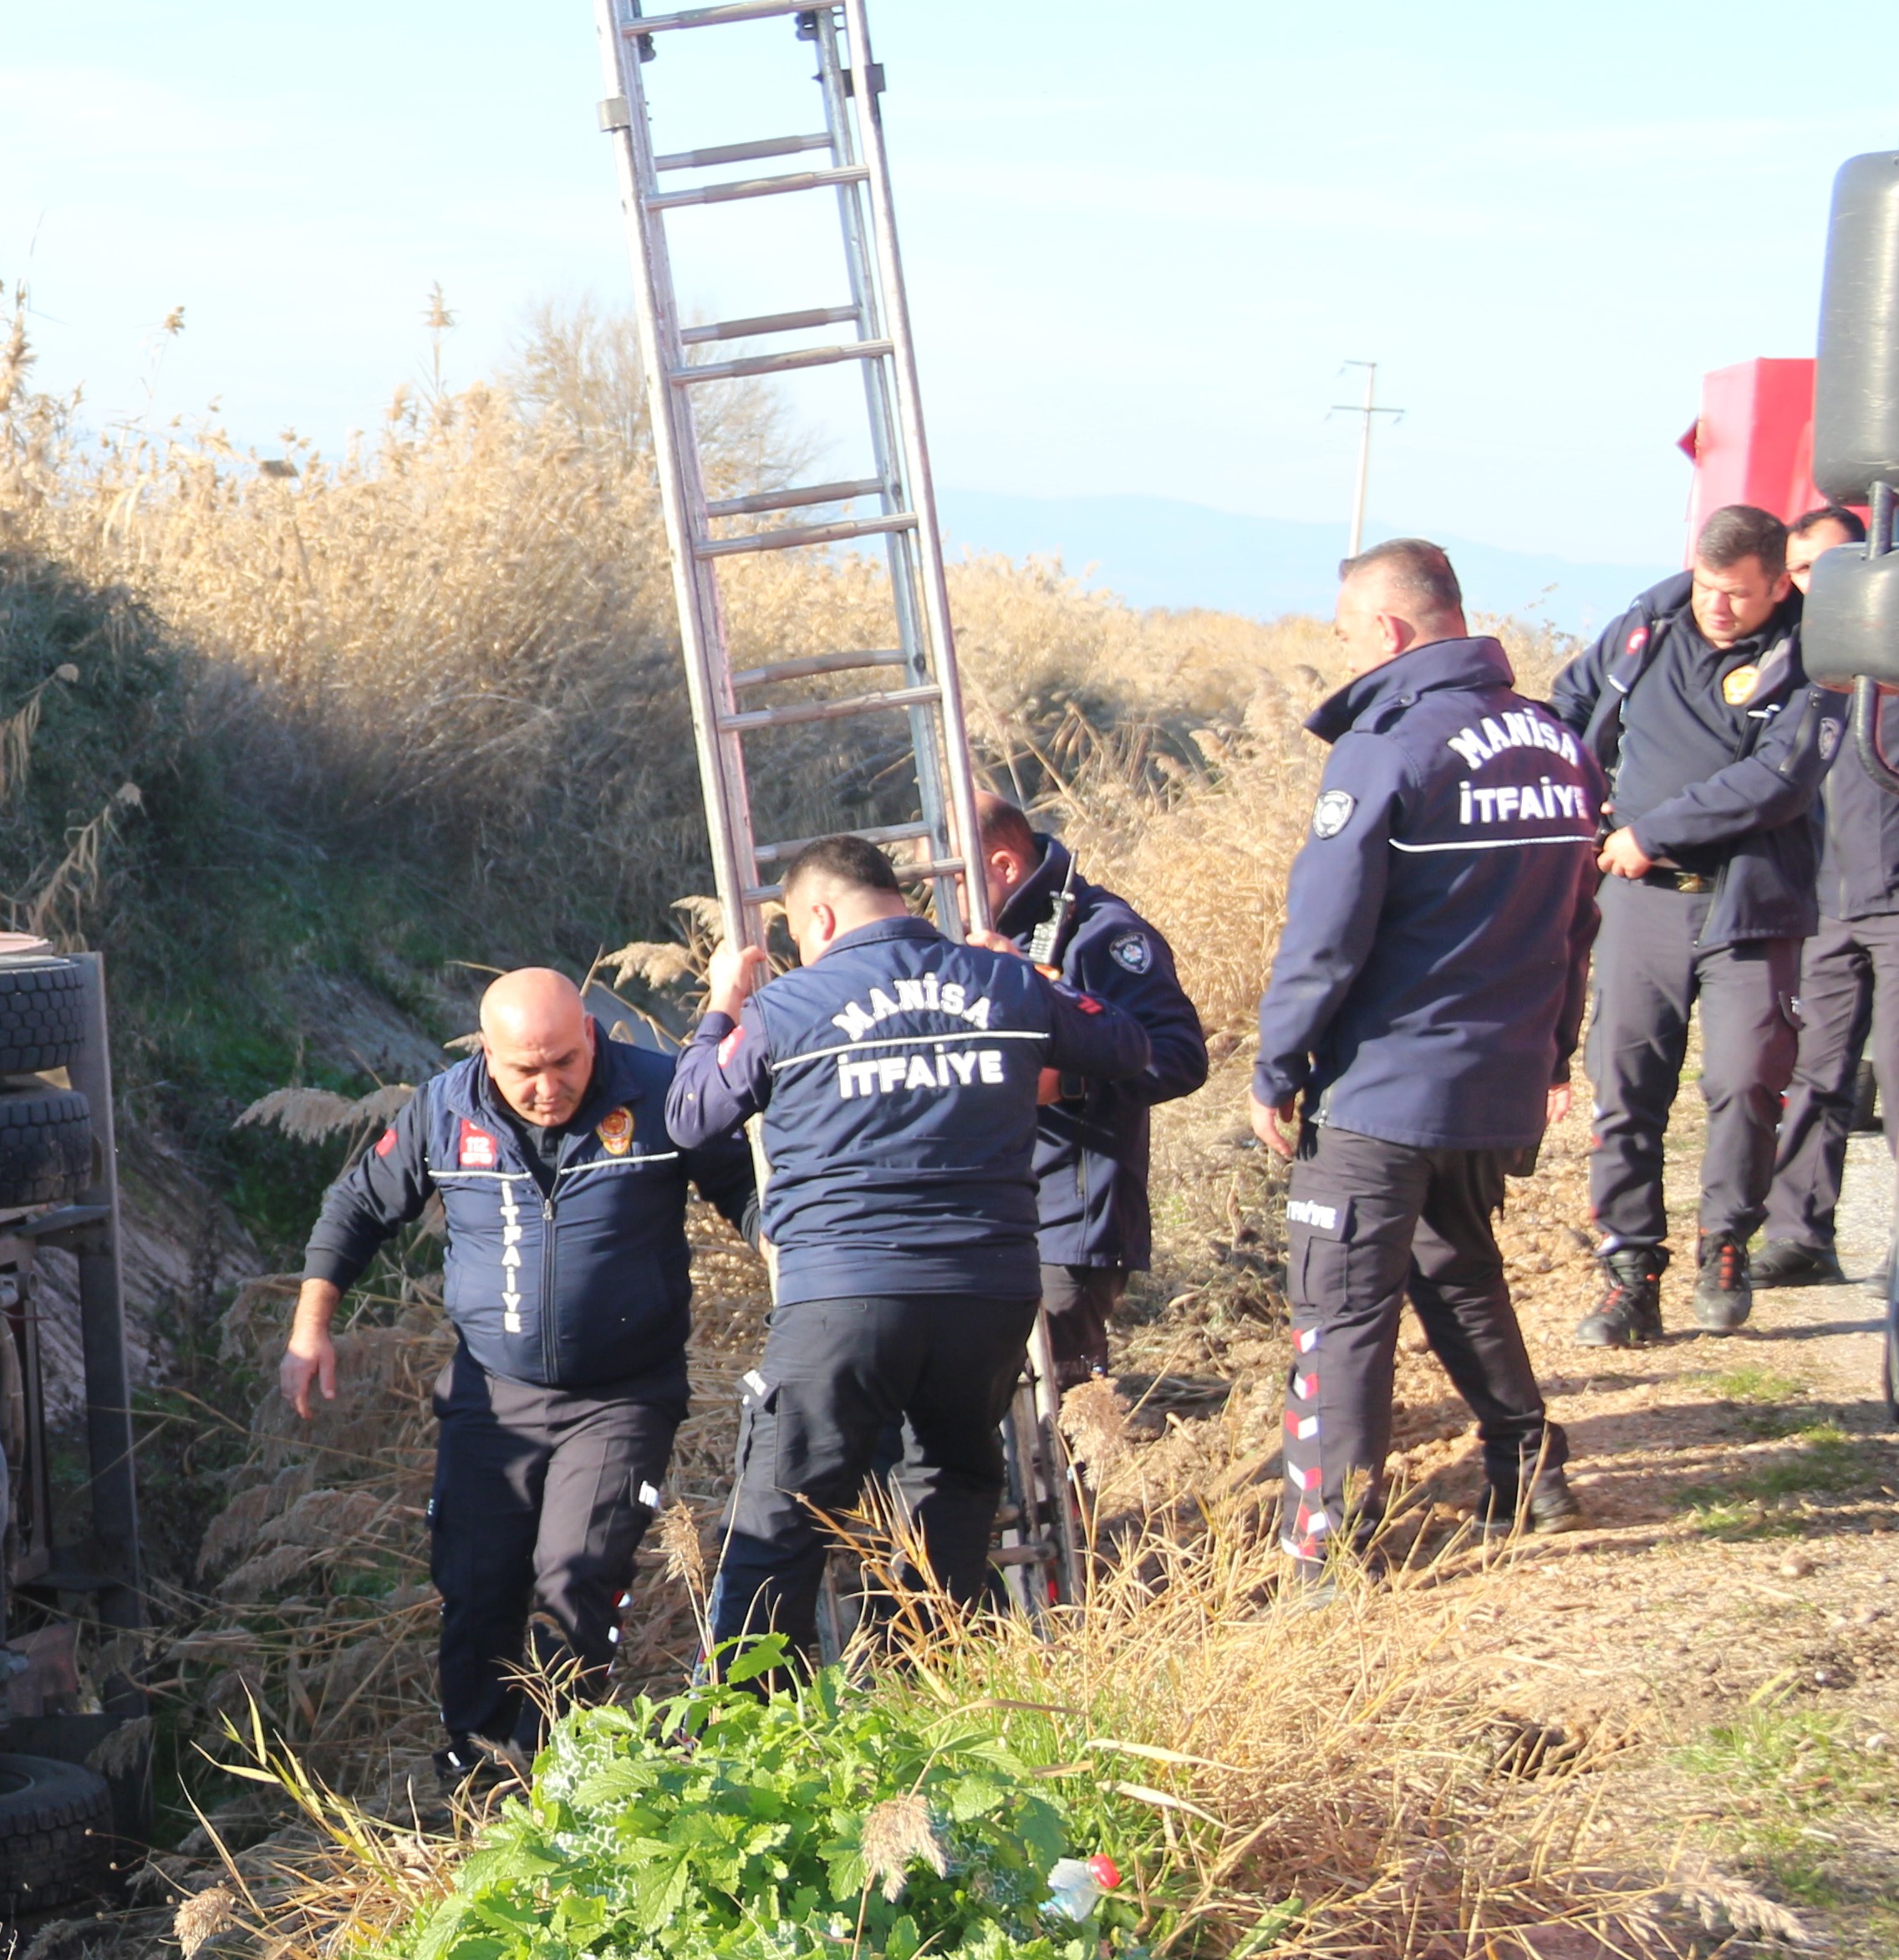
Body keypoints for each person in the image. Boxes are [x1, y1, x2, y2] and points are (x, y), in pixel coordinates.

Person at [666, 836, 1153, 1672]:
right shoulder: (999, 982)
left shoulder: (787, 1008)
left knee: (784, 1510)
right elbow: (1130, 1049)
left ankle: (742, 1730)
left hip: (844, 1298)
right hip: (988, 1295)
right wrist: (1042, 985)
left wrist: (720, 1006)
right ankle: (921, 1691)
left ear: (816, 915)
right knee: (956, 1487)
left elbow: (687, 1114)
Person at [278, 970, 756, 1775]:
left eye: (565, 1062)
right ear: (486, 1056)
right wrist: (309, 1328)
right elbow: (355, 1207)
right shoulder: (443, 1108)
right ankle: (483, 1780)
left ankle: (571, 1775)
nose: (547, 1087)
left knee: (575, 1577)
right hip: (491, 1399)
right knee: (476, 1586)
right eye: (524, 1070)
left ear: (592, 1036)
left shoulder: (662, 1091)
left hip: (622, 1396)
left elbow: (748, 1194)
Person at [1252, 539, 1601, 1563]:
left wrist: (1277, 1067)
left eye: (1346, 634)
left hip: (1382, 1088)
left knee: (1339, 1311)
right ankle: (1529, 1473)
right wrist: (1549, 1055)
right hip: (1492, 1081)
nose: (1344, 654)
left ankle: (1326, 1549)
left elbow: (1323, 937)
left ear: (1391, 631)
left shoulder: (1384, 749)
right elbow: (1577, 923)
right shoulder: (1555, 744)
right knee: (1456, 1268)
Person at [1550, 502, 1842, 1341]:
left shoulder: (1813, 655)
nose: (1719, 607)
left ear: (1777, 583)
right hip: (1638, 901)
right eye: (1710, 587)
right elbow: (1570, 707)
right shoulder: (1646, 626)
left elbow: (1777, 782)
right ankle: (1630, 1269)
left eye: (1739, 595)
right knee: (1626, 1088)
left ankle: (1725, 1242)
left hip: (1747, 901)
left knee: (1747, 1078)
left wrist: (1652, 832)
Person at [1760, 502, 1899, 1286]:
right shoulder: (1794, 661)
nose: (1818, 585)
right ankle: (1801, 1237)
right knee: (1816, 1071)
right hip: (1824, 896)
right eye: (1802, 572)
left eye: (1832, 567)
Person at [972, 794, 1210, 1403]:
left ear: (1002, 865)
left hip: (1070, 1220)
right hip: (995, 1214)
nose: (941, 897)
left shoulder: (1101, 933)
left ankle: (1083, 1502)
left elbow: (1179, 1054)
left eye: (956, 874)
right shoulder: (987, 937)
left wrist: (1068, 1080)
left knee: (1065, 1416)